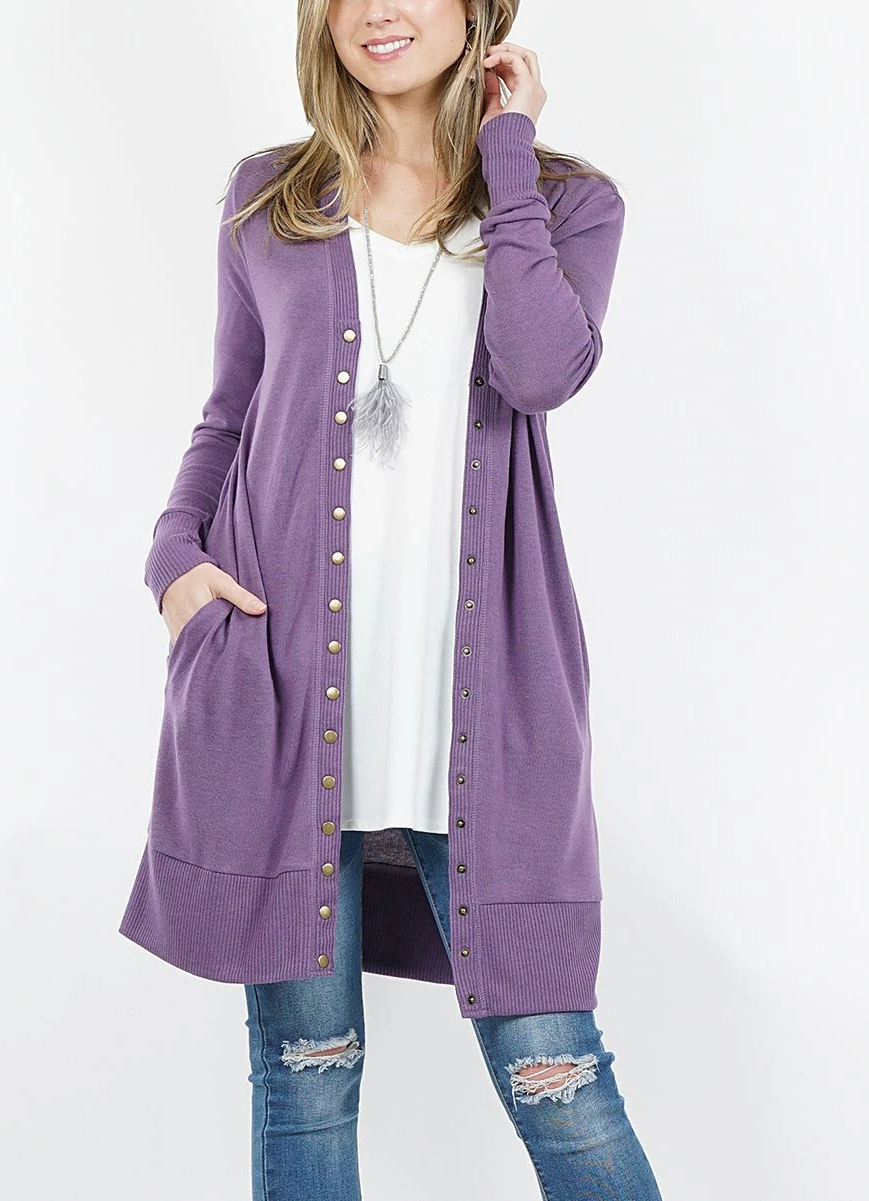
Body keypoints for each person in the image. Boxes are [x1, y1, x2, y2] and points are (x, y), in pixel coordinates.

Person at [120, 2, 663, 1198]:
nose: (378, 11)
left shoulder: (564, 201)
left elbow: (540, 370)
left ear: (478, 14)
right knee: (305, 1082)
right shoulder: (270, 196)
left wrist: (507, 150)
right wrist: (172, 562)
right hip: (282, 707)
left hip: (480, 723)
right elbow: (228, 410)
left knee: (559, 1079)